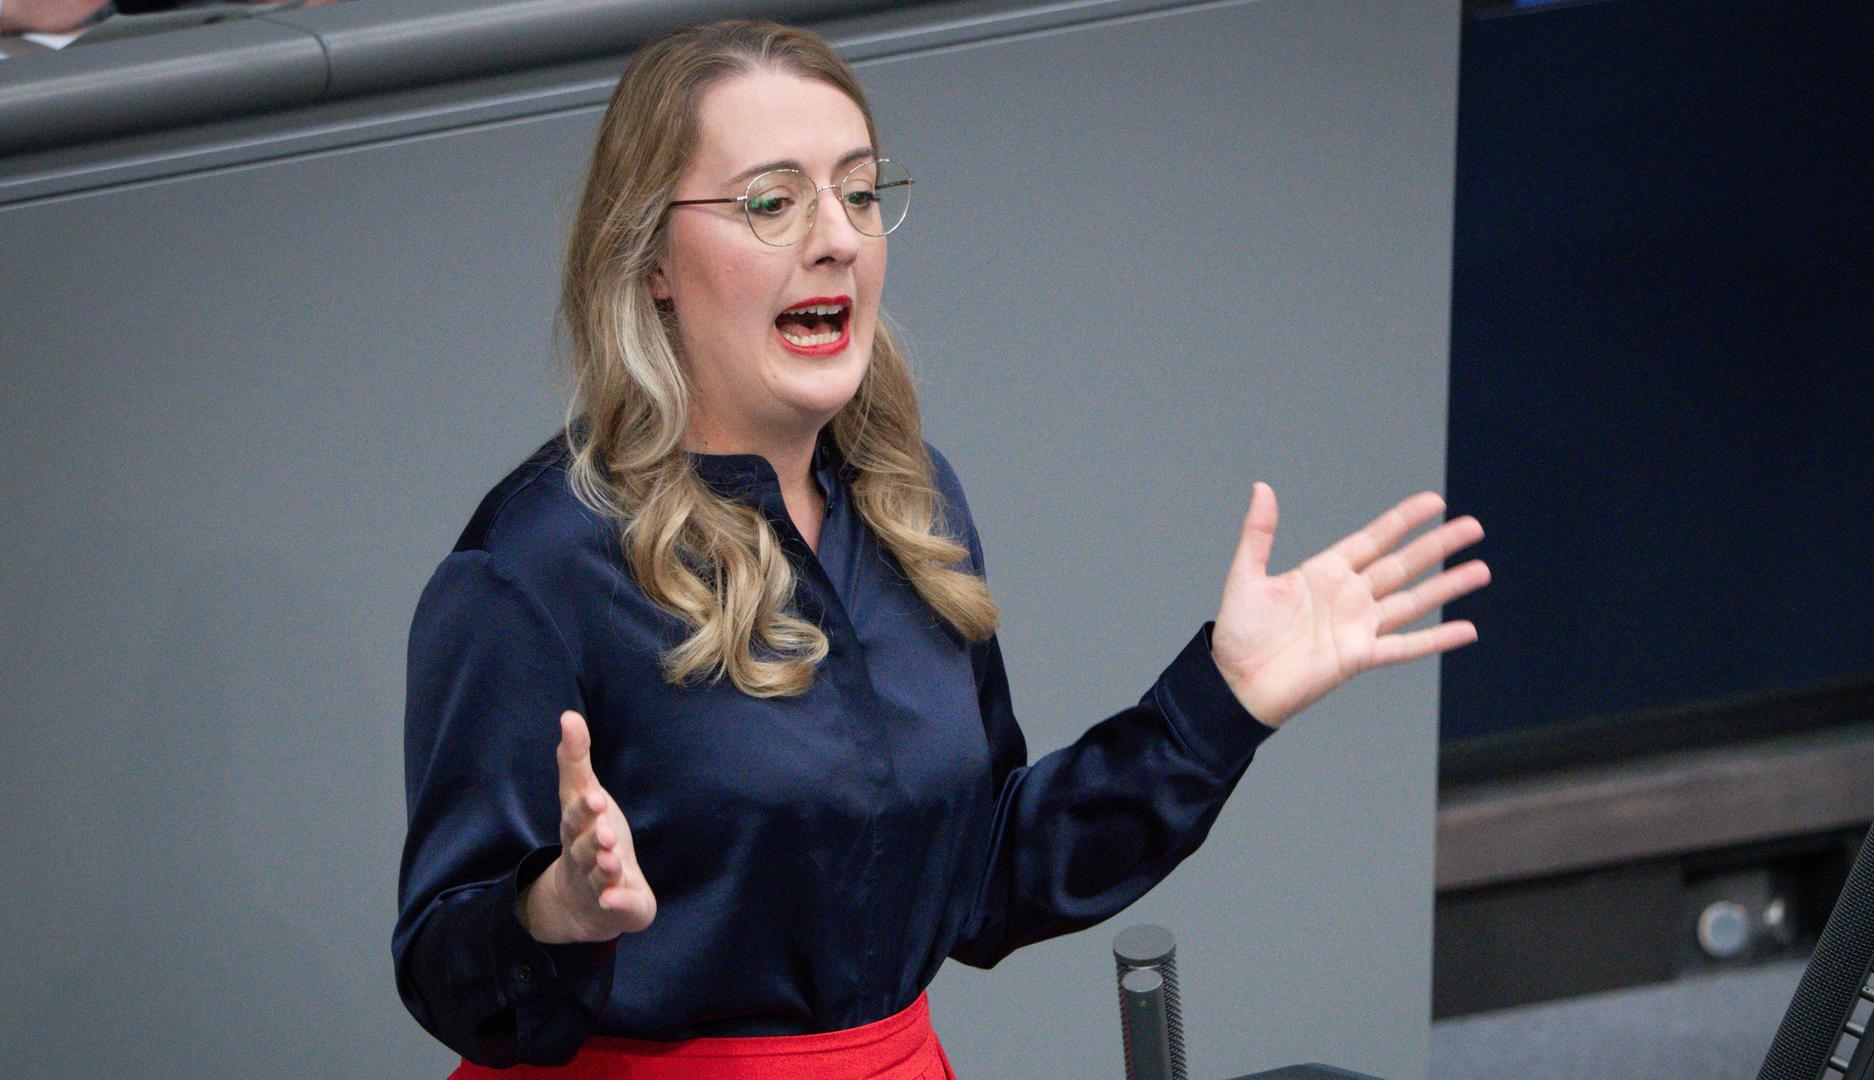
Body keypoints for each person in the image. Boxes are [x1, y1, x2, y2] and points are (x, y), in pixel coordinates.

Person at [392, 18, 1491, 1079]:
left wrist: (1225, 699)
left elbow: (989, 878)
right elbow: (444, 967)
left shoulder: (907, 506)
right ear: (651, 261)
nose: (833, 235)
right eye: (771, 202)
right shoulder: (535, 564)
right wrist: (555, 914)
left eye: (860, 194)